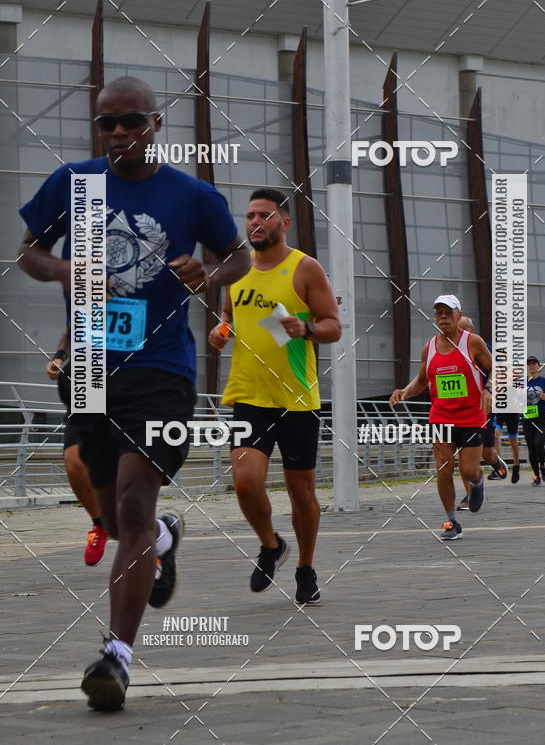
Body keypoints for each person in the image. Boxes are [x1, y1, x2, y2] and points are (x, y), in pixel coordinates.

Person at [18, 76, 250, 712]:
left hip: (162, 367)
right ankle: (163, 540)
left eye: (131, 122)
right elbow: (29, 256)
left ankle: (116, 657)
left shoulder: (193, 195)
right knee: (122, 516)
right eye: (107, 124)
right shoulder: (75, 183)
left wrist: (209, 272)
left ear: (156, 124)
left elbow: (238, 257)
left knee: (133, 494)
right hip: (90, 364)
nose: (118, 133)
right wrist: (71, 269)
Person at [208, 188, 341, 606]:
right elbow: (229, 312)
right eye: (249, 216)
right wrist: (222, 329)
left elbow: (334, 326)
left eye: (264, 216)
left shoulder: (305, 268)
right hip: (250, 394)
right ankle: (270, 545)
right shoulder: (237, 269)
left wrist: (308, 330)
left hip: (297, 398)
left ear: (283, 223)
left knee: (301, 492)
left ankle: (305, 567)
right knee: (246, 481)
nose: (255, 223)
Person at [390, 295, 492, 540]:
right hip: (441, 418)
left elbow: (496, 368)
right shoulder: (430, 347)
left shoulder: (473, 342)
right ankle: (451, 521)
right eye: (439, 313)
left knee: (468, 471)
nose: (443, 316)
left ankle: (477, 483)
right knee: (443, 469)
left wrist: (488, 388)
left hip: (470, 417)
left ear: (458, 315)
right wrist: (405, 391)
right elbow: (422, 381)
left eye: (448, 312)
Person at [46, 327, 107, 565]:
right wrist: (59, 356)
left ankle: (149, 531)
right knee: (74, 462)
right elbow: (72, 328)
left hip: (125, 375)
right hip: (84, 378)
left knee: (124, 466)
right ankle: (99, 524)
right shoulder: (84, 291)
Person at [455, 317, 507, 511]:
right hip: (461, 411)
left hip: (483, 408)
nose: (460, 334)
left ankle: (495, 461)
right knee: (463, 454)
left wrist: (490, 391)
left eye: (463, 329)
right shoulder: (452, 350)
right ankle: (470, 494)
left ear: (472, 329)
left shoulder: (486, 349)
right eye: (457, 330)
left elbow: (501, 373)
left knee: (486, 453)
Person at [523, 356, 545, 485]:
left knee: (539, 443)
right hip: (527, 418)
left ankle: (542, 466)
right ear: (526, 367)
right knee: (531, 448)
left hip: (542, 417)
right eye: (529, 364)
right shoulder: (521, 382)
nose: (531, 366)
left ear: (538, 366)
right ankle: (536, 477)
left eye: (534, 363)